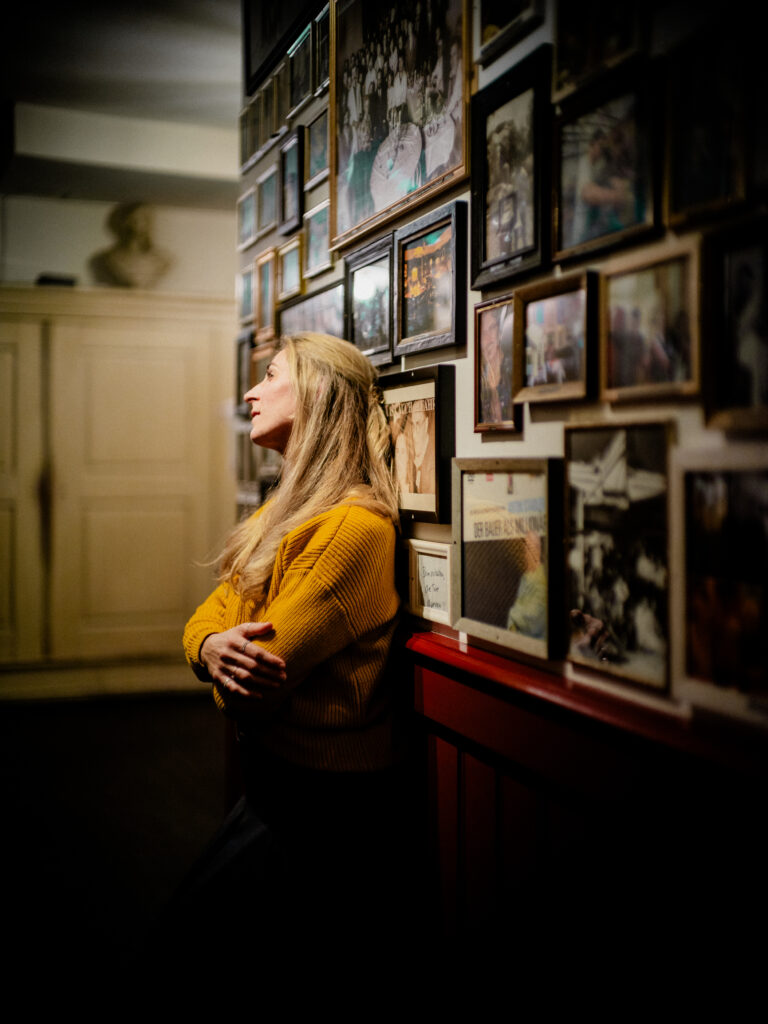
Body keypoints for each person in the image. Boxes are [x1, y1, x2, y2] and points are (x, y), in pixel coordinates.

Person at [164, 333, 416, 970]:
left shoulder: (353, 529)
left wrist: (220, 649)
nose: (250, 393)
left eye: (271, 375)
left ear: (317, 393)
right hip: (277, 794)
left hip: (326, 815)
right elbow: (207, 617)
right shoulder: (283, 512)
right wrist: (209, 645)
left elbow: (248, 692)